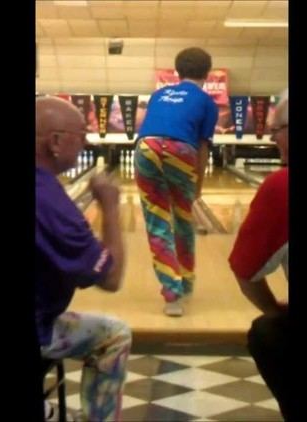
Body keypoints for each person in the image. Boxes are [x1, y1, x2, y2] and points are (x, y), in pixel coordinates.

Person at [36, 97, 131, 421]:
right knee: (114, 333)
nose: (87, 141)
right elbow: (111, 277)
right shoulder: (50, 202)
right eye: (82, 133)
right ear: (56, 142)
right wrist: (110, 208)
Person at [134, 47, 219, 316]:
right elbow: (202, 149)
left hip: (146, 147)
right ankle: (186, 280)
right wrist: (198, 187)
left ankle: (171, 293)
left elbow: (151, 128)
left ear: (177, 72)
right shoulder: (207, 102)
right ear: (207, 73)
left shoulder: (158, 95)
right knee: (182, 219)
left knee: (157, 221)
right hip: (181, 150)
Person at [228, 89, 290, 418]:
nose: (272, 139)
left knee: (268, 332)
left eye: (276, 131)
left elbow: (245, 271)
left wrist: (273, 309)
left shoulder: (282, 188)